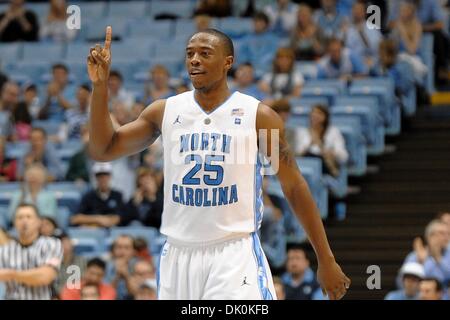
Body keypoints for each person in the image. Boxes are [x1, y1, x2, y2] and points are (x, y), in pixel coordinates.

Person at [86, 26, 350, 300]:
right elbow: (104, 149)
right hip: (178, 256)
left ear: (228, 62)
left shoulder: (259, 117)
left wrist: (325, 258)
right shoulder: (164, 111)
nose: (194, 60)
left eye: (204, 53)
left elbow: (293, 186)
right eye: (189, 54)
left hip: (233, 255)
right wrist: (100, 86)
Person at [0, 203, 63, 300]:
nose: (24, 221)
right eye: (20, 217)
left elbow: (45, 276)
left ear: (38, 222)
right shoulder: (4, 250)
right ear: (14, 223)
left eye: (29, 217)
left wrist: (11, 274)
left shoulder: (52, 244)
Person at [295, 105, 349, 177]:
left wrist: (332, 153)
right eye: (313, 113)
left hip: (324, 167)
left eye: (319, 113)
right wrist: (310, 143)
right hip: (307, 163)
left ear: (325, 117)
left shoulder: (333, 132)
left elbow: (344, 156)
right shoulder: (303, 132)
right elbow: (297, 154)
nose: (315, 115)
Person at [70, 162, 124, 228]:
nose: (103, 178)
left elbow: (120, 217)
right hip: (93, 231)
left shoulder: (117, 195)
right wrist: (98, 219)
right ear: (96, 177)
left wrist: (106, 221)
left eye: (105, 175)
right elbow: (75, 219)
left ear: (110, 176)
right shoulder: (88, 196)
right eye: (99, 176)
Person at [404, 219, 450, 284]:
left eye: (448, 234)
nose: (446, 237)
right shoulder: (414, 256)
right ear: (430, 236)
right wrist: (420, 263)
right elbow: (401, 283)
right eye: (441, 233)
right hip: (420, 293)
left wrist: (438, 259)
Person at [344, 0, 383, 69]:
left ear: (365, 12)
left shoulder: (373, 28)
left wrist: (362, 34)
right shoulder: (347, 28)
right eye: (355, 9)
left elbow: (376, 49)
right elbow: (345, 50)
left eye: (359, 10)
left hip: (368, 61)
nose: (357, 12)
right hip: (350, 62)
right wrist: (343, 35)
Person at [105, 235, 137, 300]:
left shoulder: (139, 267)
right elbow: (105, 294)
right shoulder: (105, 267)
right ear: (113, 250)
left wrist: (126, 275)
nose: (122, 251)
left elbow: (138, 294)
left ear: (133, 251)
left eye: (127, 248)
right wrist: (117, 276)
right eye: (119, 247)